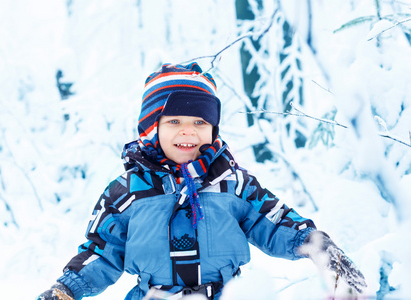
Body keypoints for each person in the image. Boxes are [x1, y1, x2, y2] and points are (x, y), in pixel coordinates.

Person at [37, 63, 367, 300]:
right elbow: (102, 251)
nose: (188, 131)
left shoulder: (232, 183)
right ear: (152, 128)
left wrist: (319, 247)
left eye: (199, 121)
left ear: (212, 129)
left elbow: (275, 220)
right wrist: (67, 289)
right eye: (174, 121)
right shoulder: (126, 193)